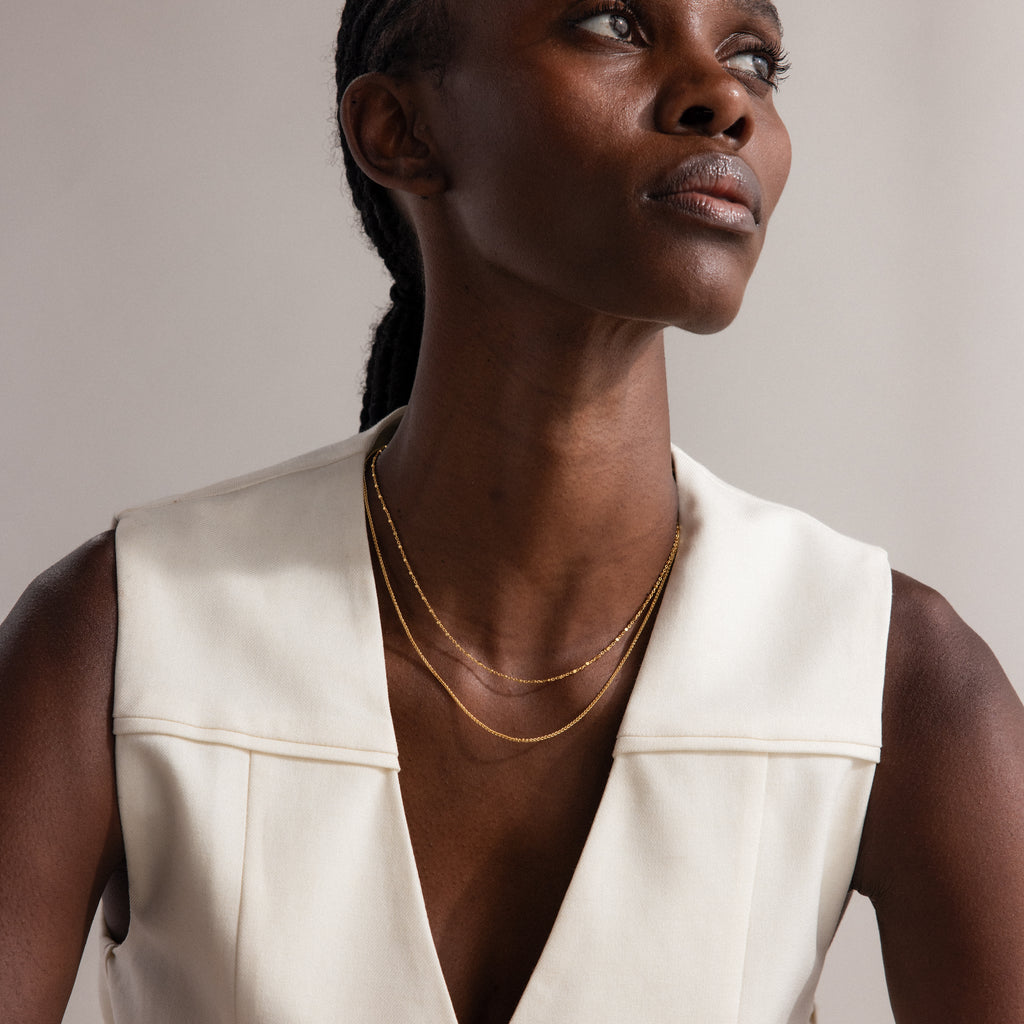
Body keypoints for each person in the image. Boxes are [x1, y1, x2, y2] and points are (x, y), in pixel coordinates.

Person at [2, 0, 1023, 1020]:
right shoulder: (116, 644)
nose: (722, 98)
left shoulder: (895, 682)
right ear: (399, 133)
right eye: (614, 26)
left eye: (752, 57)